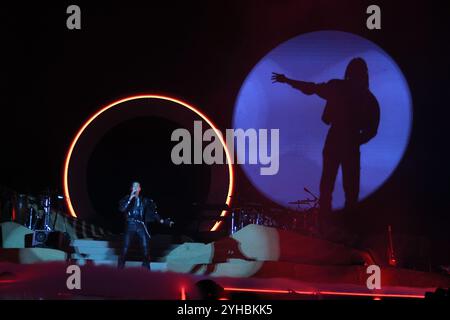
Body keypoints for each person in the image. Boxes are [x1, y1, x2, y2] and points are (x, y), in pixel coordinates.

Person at [272, 58, 380, 230]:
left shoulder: (341, 89)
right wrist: (357, 140)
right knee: (343, 188)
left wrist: (288, 81)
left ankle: (332, 226)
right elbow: (372, 129)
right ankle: (339, 226)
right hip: (345, 142)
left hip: (340, 140)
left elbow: (312, 88)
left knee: (332, 186)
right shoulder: (367, 98)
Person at [118, 181, 174, 270]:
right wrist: (130, 199)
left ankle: (146, 269)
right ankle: (120, 269)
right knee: (125, 247)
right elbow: (122, 209)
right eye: (134, 187)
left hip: (140, 224)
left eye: (137, 187)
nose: (135, 188)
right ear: (131, 189)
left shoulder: (144, 201)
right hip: (130, 224)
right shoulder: (126, 199)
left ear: (140, 189)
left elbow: (154, 213)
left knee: (145, 247)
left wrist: (164, 221)